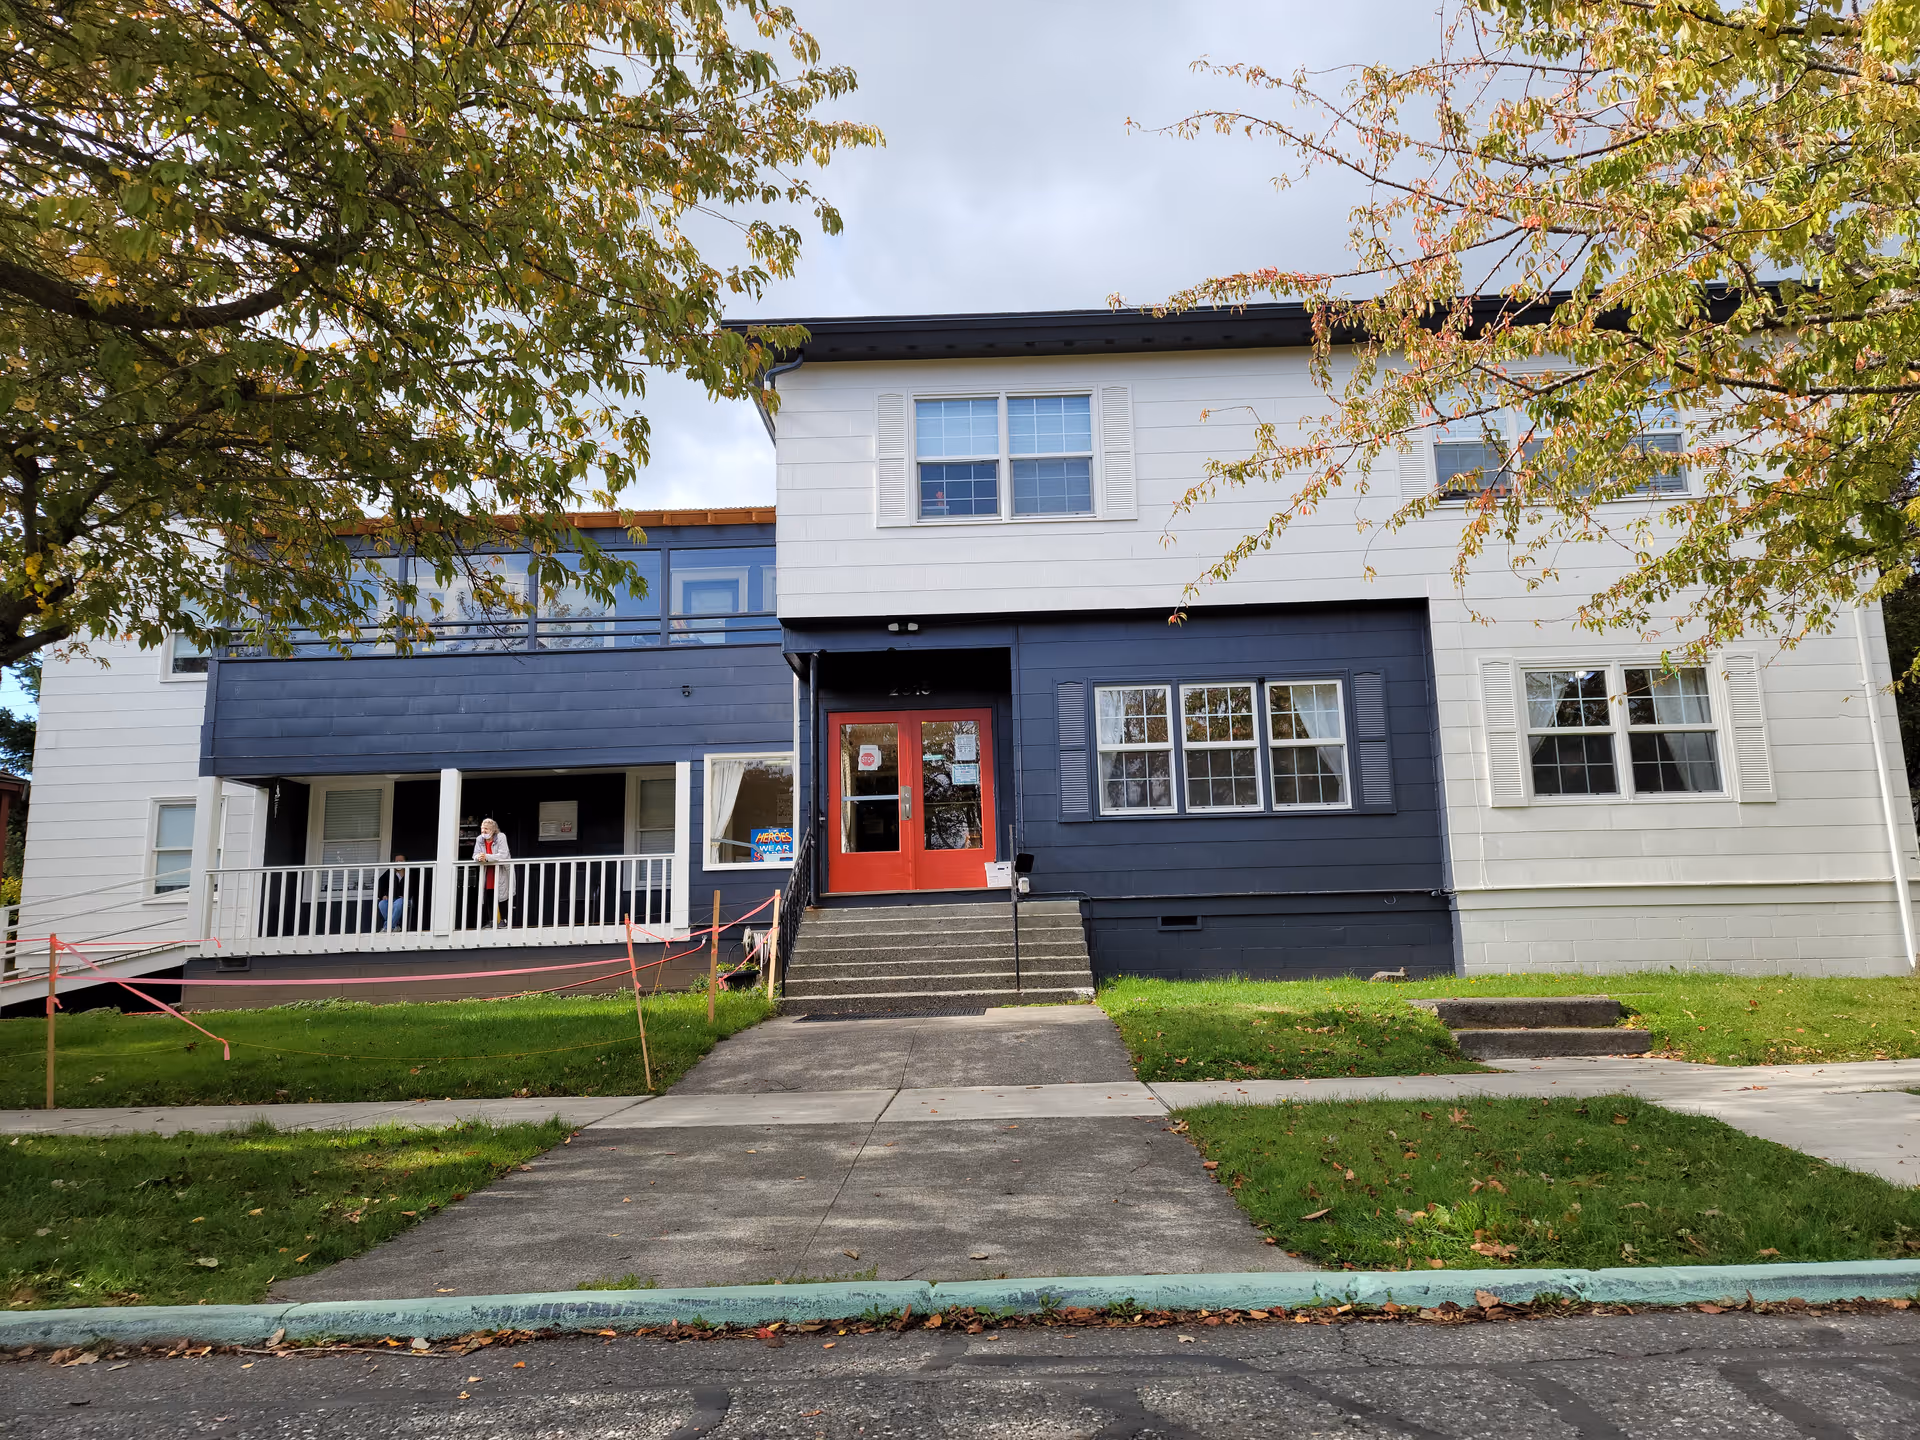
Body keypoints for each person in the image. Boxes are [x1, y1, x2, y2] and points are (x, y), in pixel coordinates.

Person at [473, 818, 512, 926]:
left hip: (500, 870)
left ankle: (504, 920)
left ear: (493, 829)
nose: (483, 831)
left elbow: (503, 855)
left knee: (502, 895)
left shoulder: (501, 837)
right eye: (482, 829)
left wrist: (487, 857)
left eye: (486, 829)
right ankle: (491, 921)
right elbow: (475, 854)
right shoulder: (479, 839)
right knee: (489, 894)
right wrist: (479, 858)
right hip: (488, 870)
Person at [375, 853, 408, 931]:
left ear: (406, 862)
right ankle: (395, 925)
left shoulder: (410, 873)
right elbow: (381, 884)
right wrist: (384, 895)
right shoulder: (389, 872)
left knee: (399, 903)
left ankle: (387, 927)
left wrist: (407, 895)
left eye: (401, 861)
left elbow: (415, 887)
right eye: (397, 861)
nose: (398, 863)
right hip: (391, 898)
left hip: (404, 899)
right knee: (382, 904)